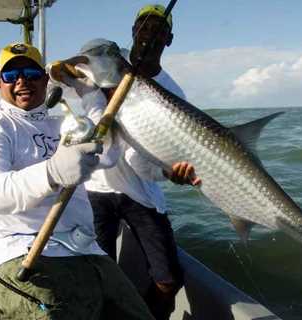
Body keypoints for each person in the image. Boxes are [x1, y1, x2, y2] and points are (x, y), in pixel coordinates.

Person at [0, 42, 155, 320]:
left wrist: (87, 92)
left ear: (45, 79)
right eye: (11, 75)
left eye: (31, 72)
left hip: (87, 251)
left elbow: (108, 150)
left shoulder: (64, 125)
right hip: (23, 253)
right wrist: (51, 172)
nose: (22, 81)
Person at [48, 5, 200, 320]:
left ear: (168, 39)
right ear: (133, 33)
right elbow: (59, 77)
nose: (149, 35)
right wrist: (64, 71)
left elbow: (158, 161)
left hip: (141, 191)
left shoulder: (173, 92)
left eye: (158, 30)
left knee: (168, 279)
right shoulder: (110, 57)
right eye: (143, 27)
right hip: (93, 188)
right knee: (97, 274)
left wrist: (170, 173)